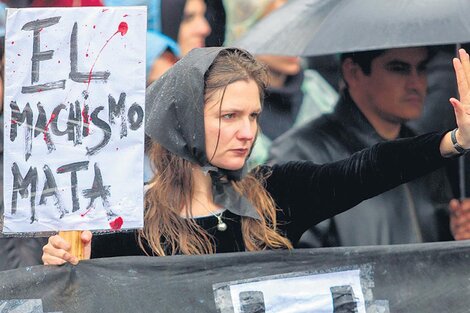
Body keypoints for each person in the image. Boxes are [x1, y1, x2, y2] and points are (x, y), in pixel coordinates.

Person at [42, 47, 470, 265]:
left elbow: (368, 168)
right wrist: (63, 263)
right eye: (229, 116)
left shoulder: (276, 194)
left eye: (253, 116)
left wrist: (455, 139)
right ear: (182, 120)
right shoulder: (120, 220)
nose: (247, 132)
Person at [268, 47, 461, 247]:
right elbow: (290, 261)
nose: (416, 83)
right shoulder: (299, 150)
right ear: (353, 72)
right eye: (398, 68)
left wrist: (455, 231)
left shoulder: (426, 149)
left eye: (421, 68)